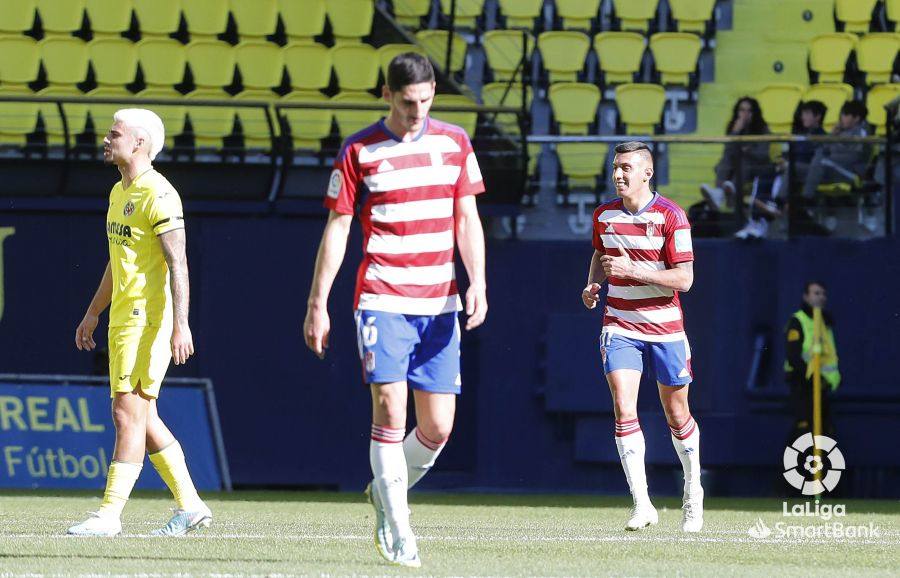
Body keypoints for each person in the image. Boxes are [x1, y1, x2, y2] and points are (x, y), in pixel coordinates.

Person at [302, 53, 487, 568]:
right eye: (408, 103)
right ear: (387, 95)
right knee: (389, 409)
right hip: (383, 299)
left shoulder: (454, 142)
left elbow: (466, 218)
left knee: (439, 427)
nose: (417, 112)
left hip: (440, 303)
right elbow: (338, 229)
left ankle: (384, 490)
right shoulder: (359, 149)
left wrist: (479, 282)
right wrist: (319, 304)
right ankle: (401, 528)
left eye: (426, 101)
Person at [67, 109, 212, 537]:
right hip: (122, 317)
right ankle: (191, 506)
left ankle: (109, 515)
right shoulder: (118, 192)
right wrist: (94, 311)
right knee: (143, 417)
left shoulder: (160, 194)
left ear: (140, 143)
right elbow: (118, 260)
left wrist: (180, 324)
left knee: (125, 412)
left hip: (147, 319)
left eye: (115, 134)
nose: (106, 139)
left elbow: (177, 260)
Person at [582, 141, 703, 533]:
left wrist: (635, 270)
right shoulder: (604, 215)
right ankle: (642, 504)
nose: (619, 174)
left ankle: (692, 493)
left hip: (666, 326)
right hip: (619, 323)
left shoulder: (673, 217)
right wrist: (592, 284)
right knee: (623, 406)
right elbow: (600, 256)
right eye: (616, 167)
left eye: (626, 168)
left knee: (676, 413)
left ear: (647, 173)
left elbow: (684, 280)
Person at [736, 100, 829, 239]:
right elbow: (790, 152)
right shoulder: (801, 134)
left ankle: (770, 211)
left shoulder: (821, 136)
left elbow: (814, 161)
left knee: (782, 176)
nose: (803, 117)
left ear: (818, 117)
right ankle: (755, 220)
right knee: (765, 174)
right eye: (803, 113)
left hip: (802, 171)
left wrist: (788, 163)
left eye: (807, 114)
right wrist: (783, 160)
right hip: (789, 167)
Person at [801, 100, 873, 232]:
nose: (842, 118)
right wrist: (832, 135)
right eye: (842, 115)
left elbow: (853, 157)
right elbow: (823, 149)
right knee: (793, 167)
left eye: (845, 115)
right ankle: (778, 203)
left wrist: (829, 159)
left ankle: (807, 201)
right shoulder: (840, 132)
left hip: (849, 174)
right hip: (828, 169)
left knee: (820, 159)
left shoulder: (861, 133)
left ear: (856, 118)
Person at [785, 281, 840, 441]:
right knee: (804, 430)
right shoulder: (798, 321)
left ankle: (823, 465)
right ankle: (792, 466)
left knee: (824, 430)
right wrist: (810, 375)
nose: (821, 297)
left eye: (823, 293)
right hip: (803, 384)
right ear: (806, 296)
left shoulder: (825, 323)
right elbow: (793, 356)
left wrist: (831, 379)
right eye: (816, 293)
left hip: (822, 385)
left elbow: (829, 356)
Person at [700, 97, 775, 212]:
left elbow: (763, 155)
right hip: (737, 166)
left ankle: (729, 192)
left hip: (758, 166)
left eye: (749, 111)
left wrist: (748, 151)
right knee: (724, 161)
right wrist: (735, 132)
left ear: (754, 113)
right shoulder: (734, 127)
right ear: (737, 112)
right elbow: (727, 151)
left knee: (743, 160)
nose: (745, 114)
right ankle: (720, 192)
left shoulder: (762, 129)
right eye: (742, 110)